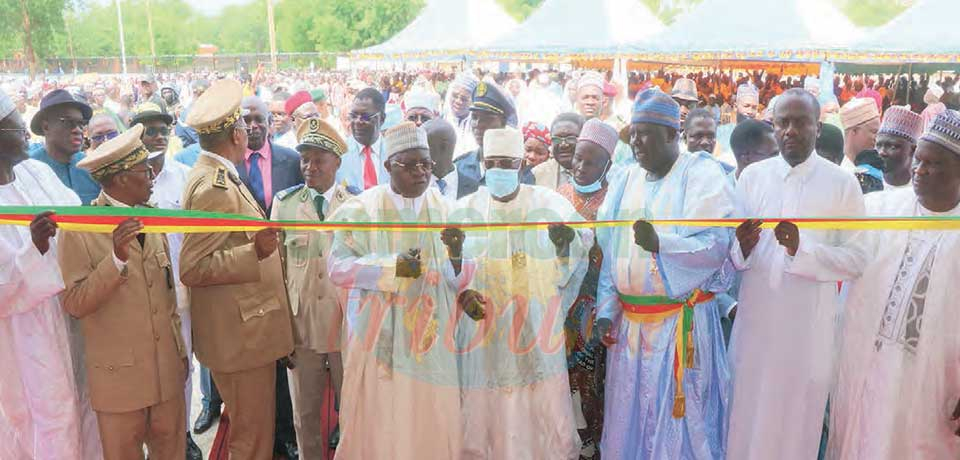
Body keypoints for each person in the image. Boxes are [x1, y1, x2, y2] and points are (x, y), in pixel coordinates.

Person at [726, 89, 868, 460]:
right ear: (772, 128)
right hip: (757, 327)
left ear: (818, 128)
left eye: (800, 122)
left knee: (795, 427)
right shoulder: (752, 178)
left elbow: (856, 259)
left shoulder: (841, 183)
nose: (790, 130)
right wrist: (741, 246)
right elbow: (734, 257)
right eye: (782, 123)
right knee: (746, 421)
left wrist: (800, 251)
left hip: (807, 331)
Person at [593, 89, 734, 459]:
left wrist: (662, 244)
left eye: (646, 133)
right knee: (630, 424)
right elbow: (611, 251)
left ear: (673, 135)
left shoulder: (702, 173)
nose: (637, 142)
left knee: (682, 432)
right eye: (633, 133)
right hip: (630, 330)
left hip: (678, 329)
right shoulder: (625, 179)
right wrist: (607, 309)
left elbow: (715, 244)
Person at [327, 122, 464, 460]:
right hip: (379, 340)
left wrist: (458, 257)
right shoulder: (360, 211)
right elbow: (337, 268)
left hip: (431, 342)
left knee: (431, 417)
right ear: (388, 166)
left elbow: (459, 277)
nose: (421, 173)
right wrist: (393, 267)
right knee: (383, 421)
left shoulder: (447, 210)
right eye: (411, 165)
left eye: (426, 164)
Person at [827, 111, 960, 460]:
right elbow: (838, 258)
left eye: (934, 164)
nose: (919, 171)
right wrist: (799, 249)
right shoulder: (880, 210)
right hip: (866, 361)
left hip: (934, 381)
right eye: (918, 161)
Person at [455, 127, 591, 460]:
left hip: (534, 328)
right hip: (484, 332)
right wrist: (461, 292)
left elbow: (581, 243)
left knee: (539, 418)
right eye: (493, 163)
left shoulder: (549, 203)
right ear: (484, 165)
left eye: (508, 163)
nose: (500, 169)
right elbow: (447, 268)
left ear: (520, 164)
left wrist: (564, 245)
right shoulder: (463, 210)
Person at [179, 79, 295, 460]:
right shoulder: (214, 187)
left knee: (254, 432)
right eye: (243, 125)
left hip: (246, 331)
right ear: (235, 133)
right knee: (251, 438)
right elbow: (193, 268)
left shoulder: (219, 174)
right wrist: (254, 253)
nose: (248, 130)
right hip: (240, 338)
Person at [59, 125, 187, 460]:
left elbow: (167, 296)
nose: (153, 176)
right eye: (145, 170)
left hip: (166, 377)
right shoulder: (80, 229)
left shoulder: (153, 219)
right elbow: (74, 303)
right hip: (119, 385)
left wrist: (180, 355)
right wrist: (115, 259)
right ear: (121, 179)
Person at [0, 88, 102, 460]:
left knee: (84, 406)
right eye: (15, 129)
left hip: (70, 312)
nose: (26, 135)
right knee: (43, 419)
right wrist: (36, 249)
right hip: (22, 338)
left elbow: (79, 219)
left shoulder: (36, 172)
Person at [271, 118, 355, 459]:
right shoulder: (285, 203)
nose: (310, 166)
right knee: (304, 418)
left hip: (346, 328)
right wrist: (281, 331)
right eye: (304, 158)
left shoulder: (356, 205)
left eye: (319, 158)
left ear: (337, 161)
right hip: (301, 326)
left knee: (352, 413)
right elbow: (275, 270)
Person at [128, 102, 202, 459]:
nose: (157, 137)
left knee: (182, 364)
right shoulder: (124, 180)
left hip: (181, 292)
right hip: (137, 296)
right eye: (148, 130)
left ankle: (182, 432)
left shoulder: (184, 176)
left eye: (162, 130)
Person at [556, 118, 617, 459]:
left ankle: (593, 446)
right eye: (578, 157)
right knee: (565, 385)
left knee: (594, 384)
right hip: (563, 306)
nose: (579, 166)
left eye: (591, 161)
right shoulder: (560, 196)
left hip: (597, 307)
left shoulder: (612, 201)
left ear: (607, 165)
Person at [453, 81, 531, 198]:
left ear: (503, 122)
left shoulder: (517, 167)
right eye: (474, 117)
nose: (478, 124)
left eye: (486, 119)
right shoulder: (460, 166)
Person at [28, 89, 101, 204]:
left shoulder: (90, 167)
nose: (77, 130)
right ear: (46, 127)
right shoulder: (28, 171)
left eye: (81, 124)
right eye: (68, 122)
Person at [238, 96, 303, 215]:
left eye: (259, 119)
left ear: (269, 122)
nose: (253, 125)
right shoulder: (229, 164)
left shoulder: (292, 160)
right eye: (246, 120)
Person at [337, 88, 389, 191]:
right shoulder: (338, 154)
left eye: (365, 117)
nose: (357, 121)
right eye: (353, 116)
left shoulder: (395, 153)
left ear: (382, 119)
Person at [533, 112, 586, 191]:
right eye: (556, 139)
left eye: (570, 138)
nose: (563, 144)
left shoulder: (600, 174)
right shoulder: (537, 174)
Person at [874, 105, 923, 190]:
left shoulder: (922, 191)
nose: (881, 152)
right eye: (878, 145)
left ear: (913, 150)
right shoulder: (867, 185)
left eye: (892, 146)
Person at [715, 83, 760, 167]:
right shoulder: (722, 132)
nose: (750, 111)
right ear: (735, 107)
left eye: (754, 108)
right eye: (746, 106)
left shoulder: (761, 136)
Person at [445, 72, 480, 159]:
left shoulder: (479, 126)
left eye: (464, 99)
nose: (458, 101)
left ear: (473, 101)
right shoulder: (441, 122)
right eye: (455, 96)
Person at [839, 97, 881, 171]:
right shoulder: (840, 170)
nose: (877, 138)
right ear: (854, 131)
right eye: (874, 132)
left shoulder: (877, 166)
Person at [423, 118, 458, 200]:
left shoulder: (475, 185)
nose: (418, 153)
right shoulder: (413, 186)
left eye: (424, 147)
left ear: (444, 147)